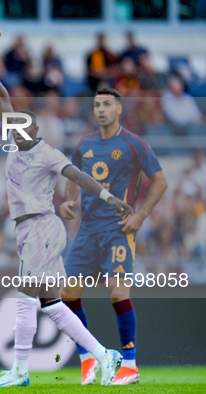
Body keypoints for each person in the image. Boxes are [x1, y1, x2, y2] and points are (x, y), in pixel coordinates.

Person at [0, 32, 130, 388]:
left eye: (23, 125)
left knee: (24, 295)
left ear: (34, 129)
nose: (16, 127)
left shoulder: (47, 153)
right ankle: (103, 353)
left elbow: (77, 175)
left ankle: (19, 370)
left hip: (42, 228)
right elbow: (1, 97)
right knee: (51, 303)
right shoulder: (16, 146)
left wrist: (108, 198)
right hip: (30, 229)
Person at [59, 87, 168, 385]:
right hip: (88, 231)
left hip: (118, 230)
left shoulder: (135, 144)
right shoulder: (84, 145)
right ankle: (87, 358)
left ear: (119, 109)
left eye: (107, 104)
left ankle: (130, 365)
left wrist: (140, 215)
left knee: (118, 293)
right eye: (97, 105)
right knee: (68, 294)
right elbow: (73, 176)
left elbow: (160, 181)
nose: (101, 109)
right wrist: (70, 202)